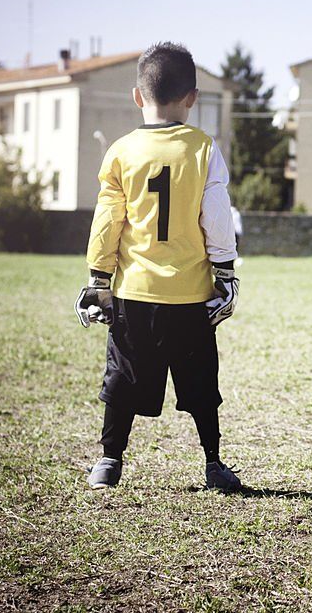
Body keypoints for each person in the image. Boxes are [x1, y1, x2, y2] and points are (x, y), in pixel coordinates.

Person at [74, 42, 241, 492]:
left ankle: (109, 461)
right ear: (193, 97)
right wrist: (224, 272)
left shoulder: (122, 151)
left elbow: (108, 220)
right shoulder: (204, 148)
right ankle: (213, 463)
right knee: (201, 383)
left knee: (123, 379)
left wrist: (98, 278)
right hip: (189, 295)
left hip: (134, 294)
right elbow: (217, 217)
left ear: (136, 96)